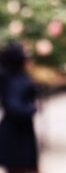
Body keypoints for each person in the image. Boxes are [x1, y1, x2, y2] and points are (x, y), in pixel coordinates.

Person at [0, 43, 39, 173]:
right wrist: (33, 108)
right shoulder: (14, 80)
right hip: (17, 136)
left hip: (18, 133)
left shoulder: (14, 77)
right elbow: (13, 107)